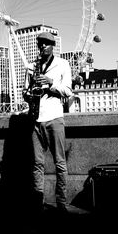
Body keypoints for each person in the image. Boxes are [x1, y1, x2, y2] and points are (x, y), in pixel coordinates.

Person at [22, 31, 73, 215]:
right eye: (40, 43)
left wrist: (50, 83)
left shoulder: (62, 64)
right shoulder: (32, 66)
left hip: (54, 118)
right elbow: (25, 92)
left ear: (53, 46)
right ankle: (38, 202)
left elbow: (68, 90)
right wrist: (28, 94)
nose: (42, 46)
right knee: (37, 164)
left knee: (60, 163)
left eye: (45, 43)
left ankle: (61, 203)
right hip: (36, 118)